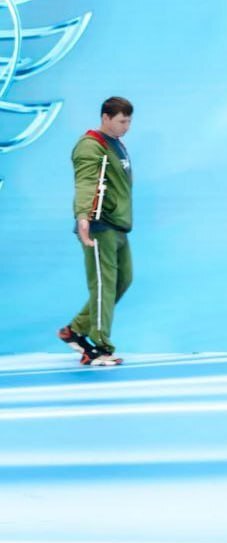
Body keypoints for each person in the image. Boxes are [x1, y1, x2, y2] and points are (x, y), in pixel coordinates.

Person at [57, 96, 133, 366]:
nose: (126, 127)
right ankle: (100, 347)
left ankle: (75, 330)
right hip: (100, 226)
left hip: (118, 225)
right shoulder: (91, 146)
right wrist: (83, 219)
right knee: (103, 285)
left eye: (129, 121)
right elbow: (86, 183)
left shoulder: (116, 143)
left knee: (123, 280)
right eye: (122, 121)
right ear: (105, 118)